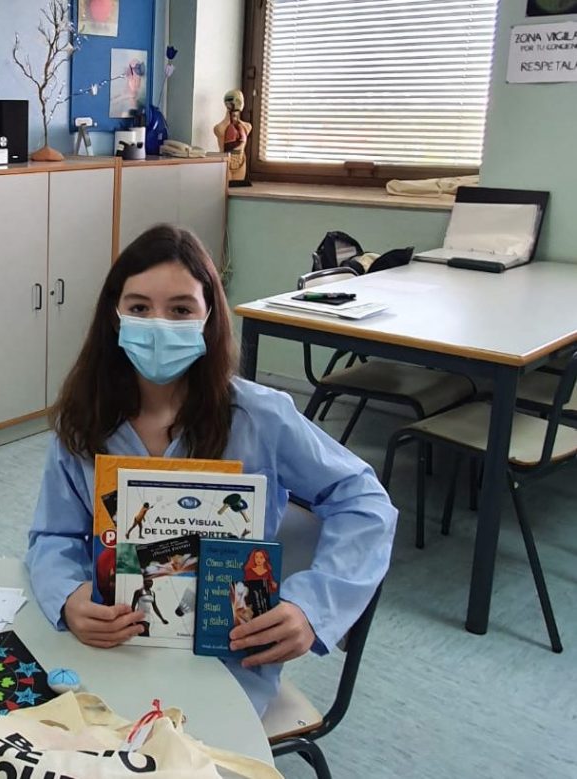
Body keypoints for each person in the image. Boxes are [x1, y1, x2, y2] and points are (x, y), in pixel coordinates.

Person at [25, 224, 396, 716]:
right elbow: (53, 534)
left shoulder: (260, 417)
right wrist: (70, 597)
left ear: (208, 317)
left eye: (180, 309)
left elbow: (364, 500)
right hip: (110, 641)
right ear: (114, 318)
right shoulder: (83, 421)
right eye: (139, 308)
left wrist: (312, 607)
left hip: (227, 660)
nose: (158, 324)